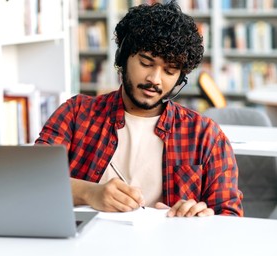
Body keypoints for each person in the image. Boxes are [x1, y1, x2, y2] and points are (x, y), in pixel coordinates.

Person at [35, 1, 243, 217]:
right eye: (146, 63)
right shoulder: (76, 114)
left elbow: (230, 216)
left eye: (170, 71)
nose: (155, 79)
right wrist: (90, 193)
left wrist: (202, 218)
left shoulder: (206, 135)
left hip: (168, 249)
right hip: (83, 247)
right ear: (123, 57)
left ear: (180, 79)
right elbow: (31, 179)